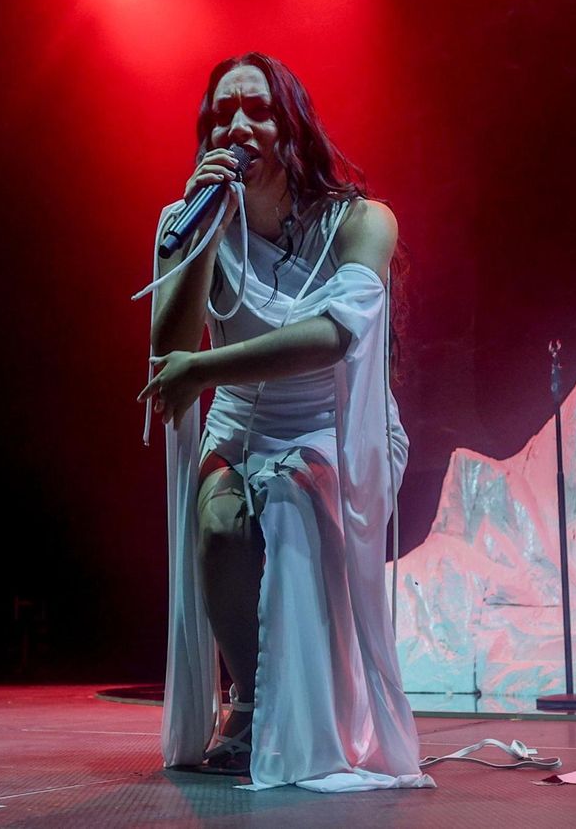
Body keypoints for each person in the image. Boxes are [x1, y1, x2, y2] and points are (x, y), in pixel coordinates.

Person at [137, 52, 430, 792]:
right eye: (219, 114)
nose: (235, 127)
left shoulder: (360, 221)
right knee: (219, 527)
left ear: (292, 123)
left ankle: (318, 717)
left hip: (334, 422)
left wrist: (204, 370)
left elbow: (334, 335)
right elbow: (169, 349)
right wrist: (205, 232)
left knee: (298, 505)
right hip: (240, 419)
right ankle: (252, 700)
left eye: (256, 110)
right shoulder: (187, 220)